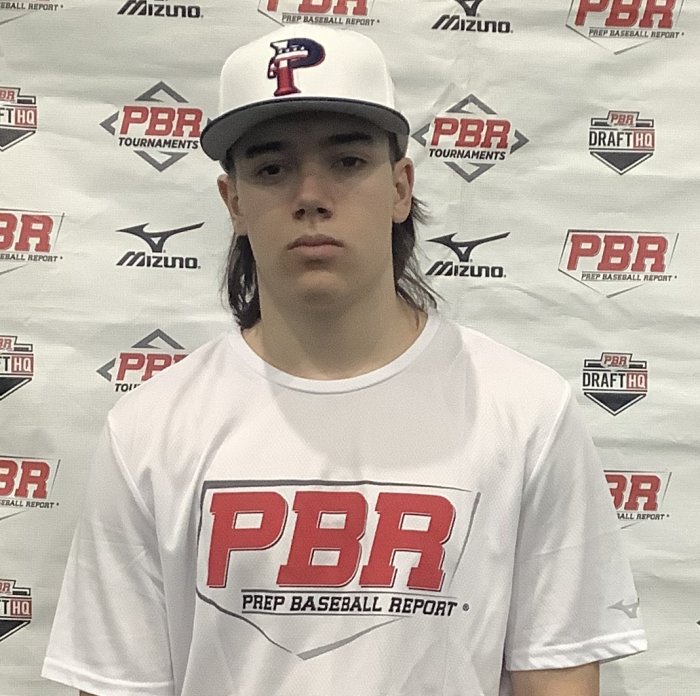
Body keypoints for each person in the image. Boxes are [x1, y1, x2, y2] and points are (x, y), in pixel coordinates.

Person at [42, 25, 646, 696]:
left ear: (401, 188)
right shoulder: (150, 428)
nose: (310, 194)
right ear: (233, 201)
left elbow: (558, 678)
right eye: (271, 169)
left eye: (348, 161)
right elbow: (118, 682)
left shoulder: (526, 411)